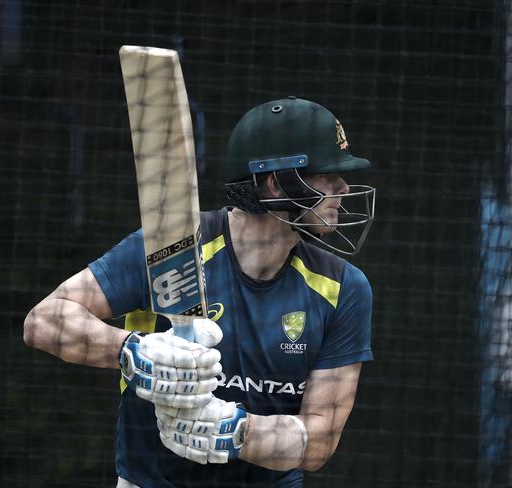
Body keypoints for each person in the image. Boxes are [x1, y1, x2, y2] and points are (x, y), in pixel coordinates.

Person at [24, 97, 376, 487]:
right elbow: (45, 320)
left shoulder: (343, 288)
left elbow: (319, 441)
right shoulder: (174, 246)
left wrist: (234, 432)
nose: (343, 187)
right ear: (277, 182)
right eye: (328, 174)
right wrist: (134, 353)